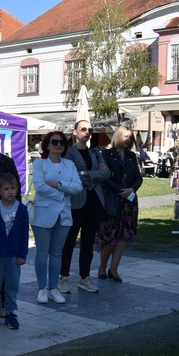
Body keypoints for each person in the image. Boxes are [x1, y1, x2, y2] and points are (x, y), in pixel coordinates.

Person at [59, 120, 110, 294]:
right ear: (75, 132)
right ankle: (63, 276)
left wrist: (87, 173)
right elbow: (70, 176)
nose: (87, 132)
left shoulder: (95, 152)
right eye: (83, 129)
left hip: (95, 200)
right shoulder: (69, 153)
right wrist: (93, 177)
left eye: (89, 129)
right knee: (69, 240)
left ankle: (84, 277)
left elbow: (106, 173)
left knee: (88, 242)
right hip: (76, 201)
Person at [32, 131, 83, 304]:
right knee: (42, 253)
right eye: (54, 142)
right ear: (47, 145)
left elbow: (78, 187)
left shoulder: (70, 164)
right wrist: (62, 194)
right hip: (43, 214)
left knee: (56, 253)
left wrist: (59, 184)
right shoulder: (39, 164)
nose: (59, 144)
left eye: (62, 142)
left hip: (64, 215)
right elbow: (40, 187)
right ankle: (42, 288)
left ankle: (54, 288)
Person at [96, 125, 143, 283]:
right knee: (110, 236)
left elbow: (138, 177)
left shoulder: (131, 156)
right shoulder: (106, 154)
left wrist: (132, 189)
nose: (128, 140)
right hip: (112, 200)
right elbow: (104, 177)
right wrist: (120, 190)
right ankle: (102, 266)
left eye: (130, 137)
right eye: (125, 136)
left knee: (124, 235)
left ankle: (114, 268)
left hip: (129, 201)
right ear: (118, 136)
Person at [0, 174, 29, 329]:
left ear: (17, 189)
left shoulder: (22, 209)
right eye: (6, 189)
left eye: (13, 188)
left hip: (14, 255)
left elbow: (24, 234)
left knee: (12, 285)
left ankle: (10, 312)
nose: (10, 191)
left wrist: (22, 254)